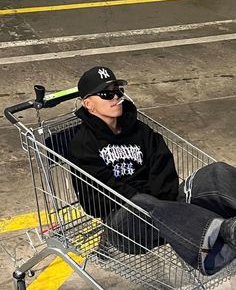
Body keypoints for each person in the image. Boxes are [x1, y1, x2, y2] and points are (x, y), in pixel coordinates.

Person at [69, 66, 236, 276]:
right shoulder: (82, 145)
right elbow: (94, 199)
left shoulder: (141, 131)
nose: (115, 97)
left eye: (117, 91)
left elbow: (163, 169)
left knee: (216, 172)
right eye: (106, 94)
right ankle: (223, 233)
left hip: (166, 209)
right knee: (142, 203)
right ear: (88, 104)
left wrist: (165, 203)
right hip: (125, 224)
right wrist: (148, 202)